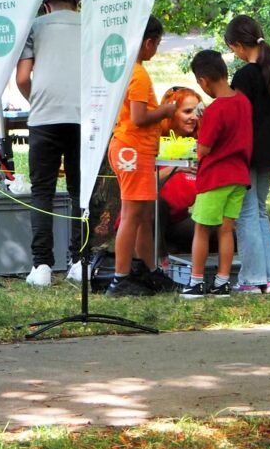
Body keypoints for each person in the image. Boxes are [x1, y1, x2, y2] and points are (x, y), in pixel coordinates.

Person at [16, 0, 83, 288]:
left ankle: (41, 266)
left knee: (41, 191)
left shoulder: (34, 27)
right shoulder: (89, 25)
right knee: (79, 191)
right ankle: (79, 261)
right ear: (75, 5)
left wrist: (37, 101)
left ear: (46, 6)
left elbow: (22, 77)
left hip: (44, 118)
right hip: (82, 117)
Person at [105, 16, 179, 297]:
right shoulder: (137, 74)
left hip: (138, 150)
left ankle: (149, 271)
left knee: (144, 215)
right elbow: (138, 117)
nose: (156, 49)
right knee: (132, 215)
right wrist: (166, 110)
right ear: (148, 42)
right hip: (131, 150)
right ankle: (120, 277)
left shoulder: (129, 70)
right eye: (157, 43)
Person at [223, 15, 270, 295]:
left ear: (238, 46)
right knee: (259, 211)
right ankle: (268, 278)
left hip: (246, 152)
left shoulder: (245, 76)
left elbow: (238, 116)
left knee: (246, 213)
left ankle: (252, 278)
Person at [181, 50, 253, 299]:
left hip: (215, 177)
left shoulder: (215, 110)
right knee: (226, 229)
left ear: (203, 81)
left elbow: (203, 150)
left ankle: (196, 280)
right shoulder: (243, 101)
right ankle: (223, 281)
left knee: (201, 228)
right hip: (239, 176)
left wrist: (200, 127)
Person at [155, 86, 202, 261]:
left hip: (180, 221)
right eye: (187, 111)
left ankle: (176, 252)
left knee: (225, 235)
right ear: (172, 113)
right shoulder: (154, 142)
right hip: (149, 221)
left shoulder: (201, 144)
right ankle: (160, 261)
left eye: (197, 111)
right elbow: (143, 183)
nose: (194, 117)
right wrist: (176, 168)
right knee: (157, 204)